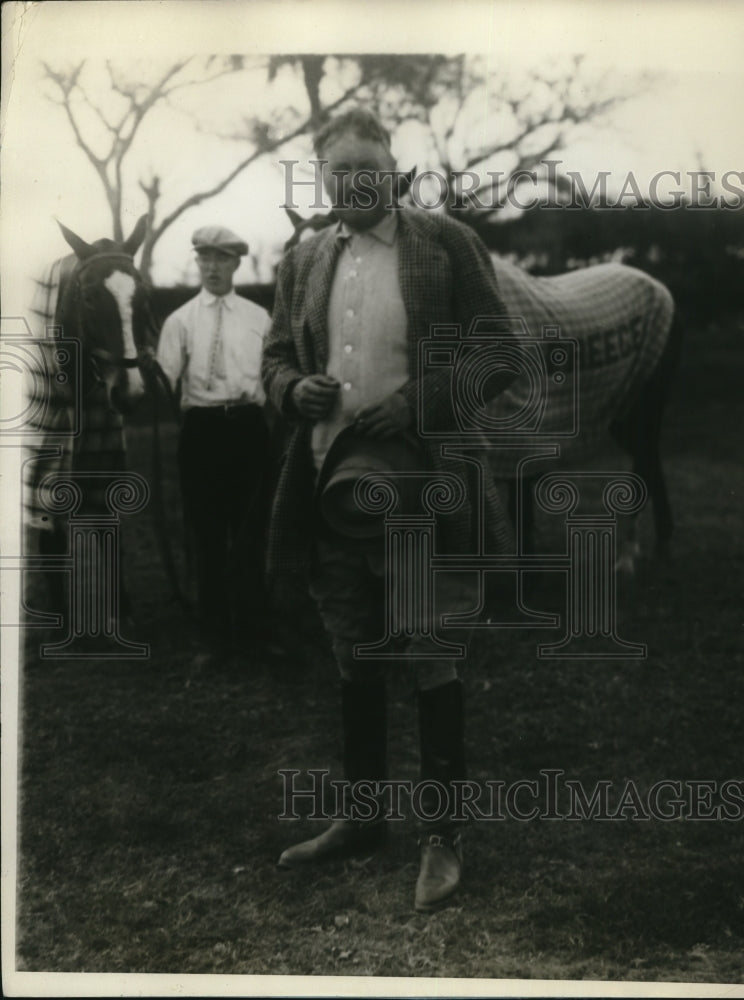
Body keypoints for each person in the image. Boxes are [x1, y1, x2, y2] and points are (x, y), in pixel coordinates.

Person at [262, 108, 517, 911]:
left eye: (368, 166)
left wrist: (417, 403)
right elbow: (274, 356)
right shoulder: (303, 261)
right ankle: (364, 821)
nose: (353, 182)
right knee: (354, 651)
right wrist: (289, 389)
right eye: (338, 171)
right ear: (323, 176)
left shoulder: (443, 245)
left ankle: (444, 840)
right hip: (331, 492)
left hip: (423, 495)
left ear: (394, 169)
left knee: (430, 654)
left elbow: (499, 355)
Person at [156, 225, 272, 667]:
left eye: (222, 259)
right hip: (202, 432)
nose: (212, 268)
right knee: (207, 534)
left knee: (250, 531)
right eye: (205, 259)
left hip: (248, 428)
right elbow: (164, 384)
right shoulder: (179, 321)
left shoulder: (259, 318)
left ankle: (256, 630)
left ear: (236, 264)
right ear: (197, 263)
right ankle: (214, 636)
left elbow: (273, 375)